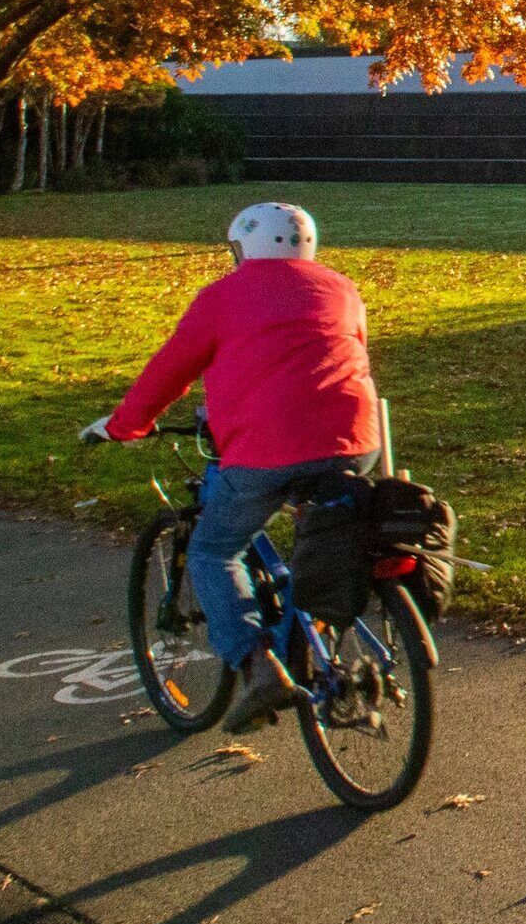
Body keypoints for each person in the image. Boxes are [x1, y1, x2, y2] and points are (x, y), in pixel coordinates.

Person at [85, 202, 381, 729]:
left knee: (215, 549)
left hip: (267, 450)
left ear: (242, 248)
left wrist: (123, 425)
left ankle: (258, 664)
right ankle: (314, 637)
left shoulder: (221, 297)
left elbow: (169, 371)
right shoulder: (342, 288)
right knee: (320, 531)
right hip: (355, 440)